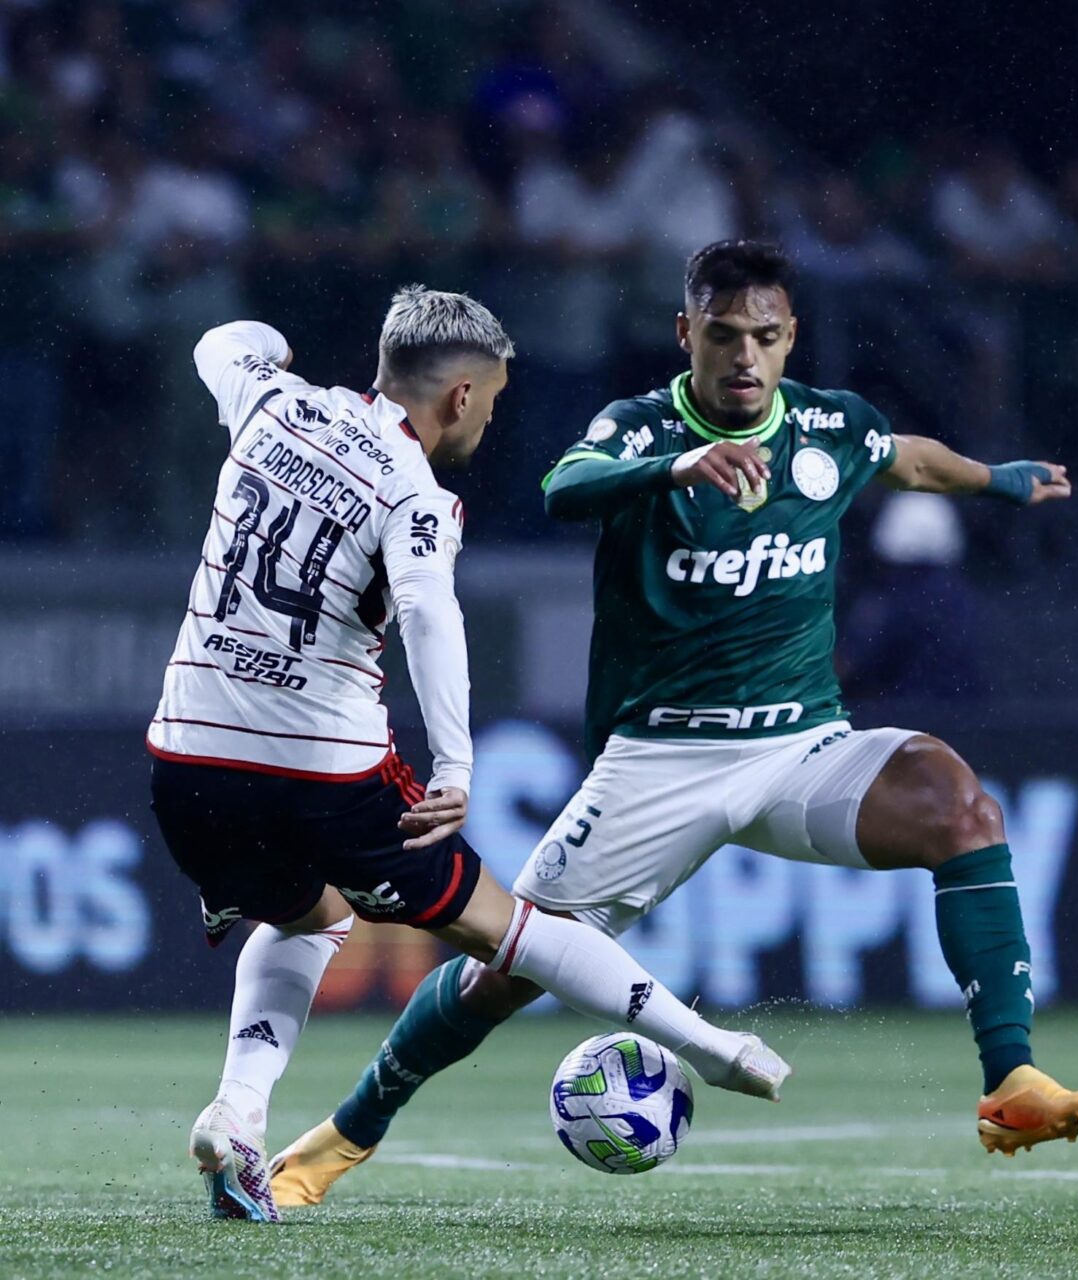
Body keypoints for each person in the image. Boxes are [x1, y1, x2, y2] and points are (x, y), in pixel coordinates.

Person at [269, 242, 1078, 1207]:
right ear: (687, 335)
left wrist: (997, 479)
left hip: (801, 748)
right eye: (722, 335)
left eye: (764, 335)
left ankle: (1010, 1082)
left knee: (961, 806)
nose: (744, 356)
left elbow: (906, 459)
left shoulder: (831, 427)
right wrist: (681, 467)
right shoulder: (639, 430)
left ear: (791, 337)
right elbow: (563, 487)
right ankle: (343, 1136)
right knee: (500, 971)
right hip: (657, 762)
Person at [148, 286, 788, 1223]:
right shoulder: (416, 493)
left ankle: (239, 1116)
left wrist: (271, 342)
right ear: (459, 397)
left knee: (308, 918)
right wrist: (455, 764)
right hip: (325, 766)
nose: (488, 418)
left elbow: (222, 342)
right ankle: (710, 1044)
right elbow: (427, 613)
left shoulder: (271, 402)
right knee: (508, 931)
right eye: (489, 401)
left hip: (186, 757)